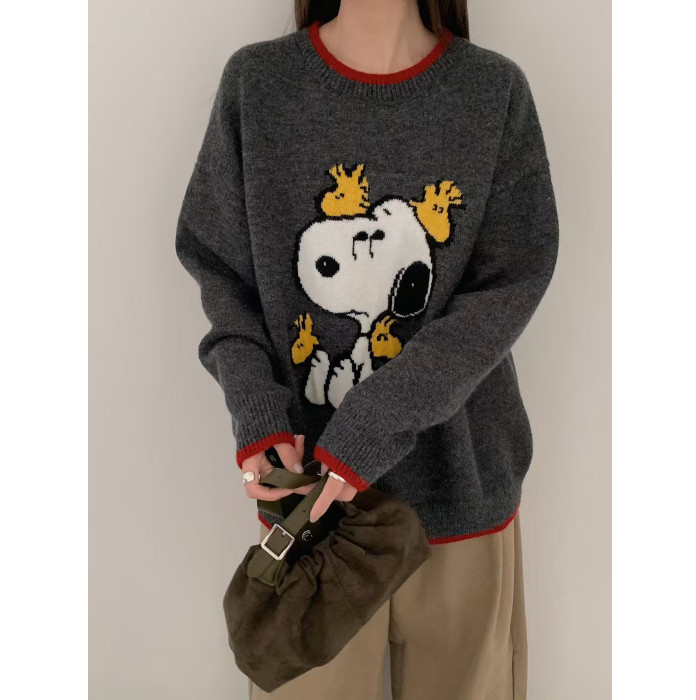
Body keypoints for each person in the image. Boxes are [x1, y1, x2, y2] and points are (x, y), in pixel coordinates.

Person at [176, 0, 559, 697]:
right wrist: (256, 408)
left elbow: (508, 286)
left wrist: (371, 426)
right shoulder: (258, 86)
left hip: (462, 491)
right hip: (309, 514)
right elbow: (222, 272)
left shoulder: (492, 92)